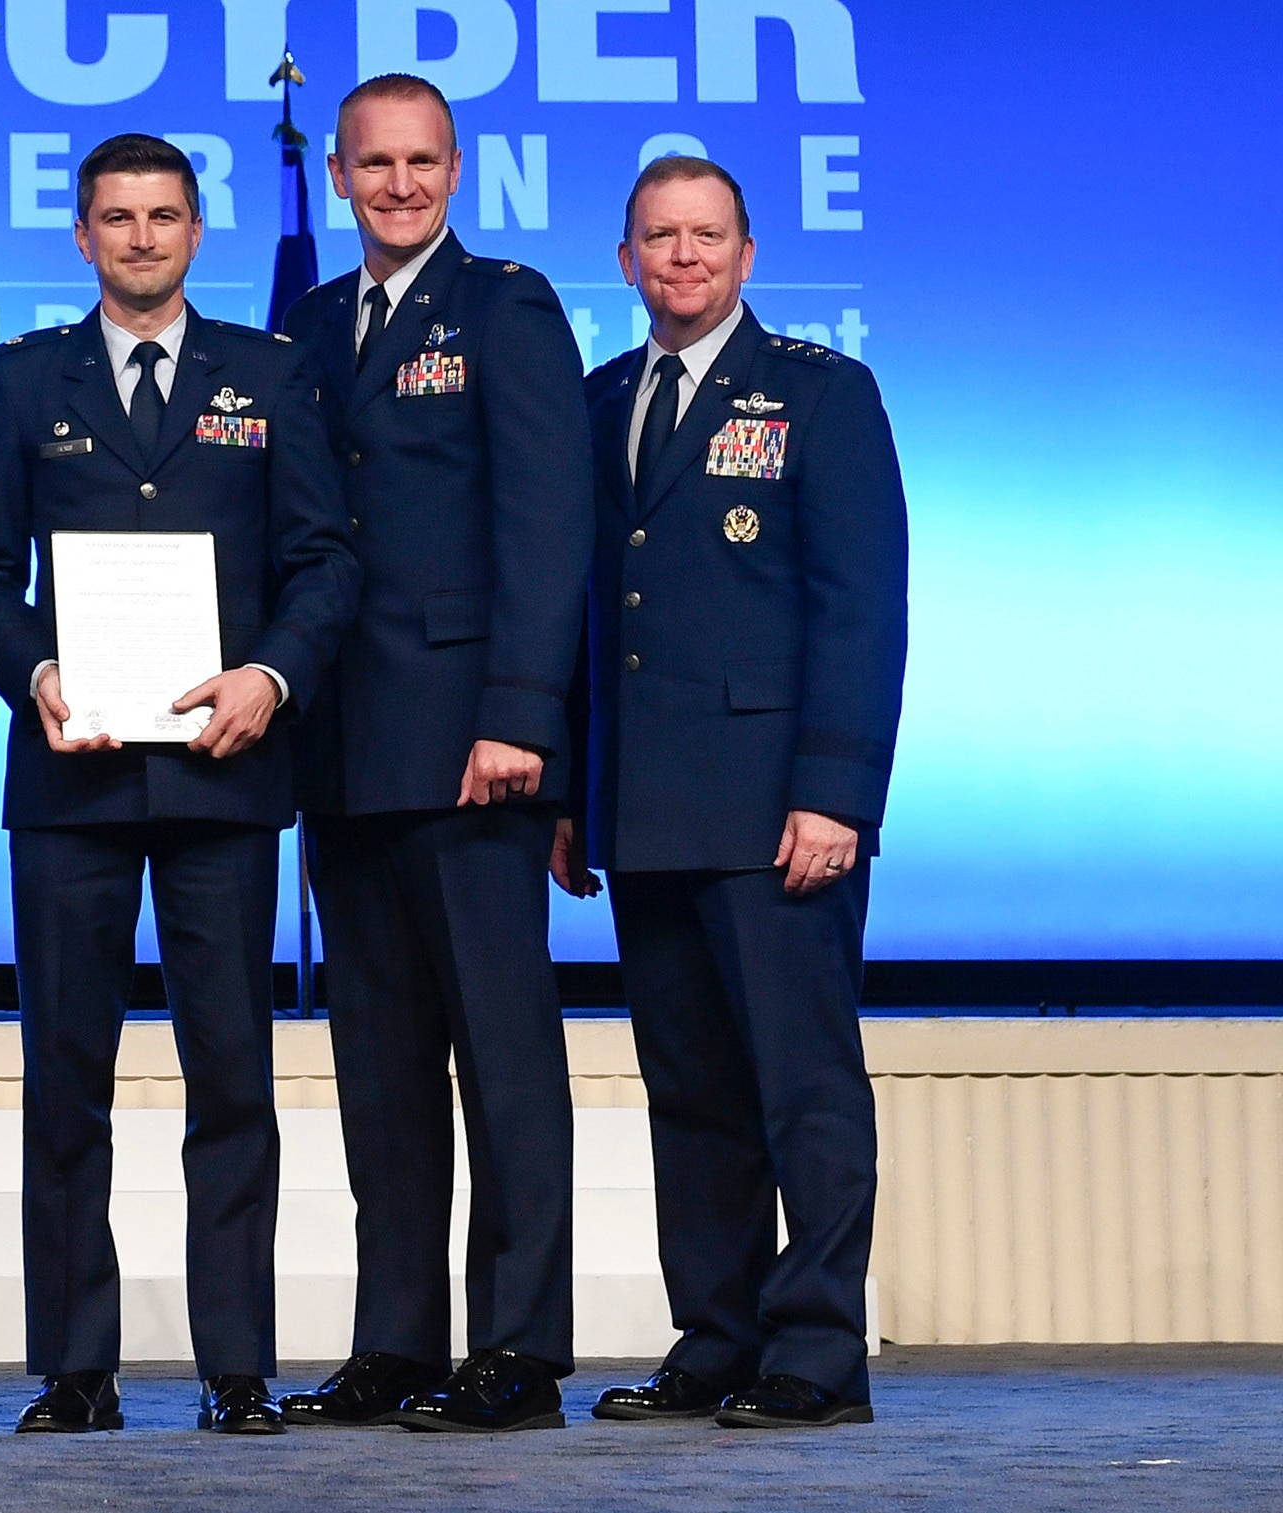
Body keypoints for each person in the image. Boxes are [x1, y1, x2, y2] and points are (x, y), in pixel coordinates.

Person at [0, 134, 360, 1437]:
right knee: (65, 1080)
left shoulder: (273, 374)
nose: (140, 237)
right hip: (71, 783)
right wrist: (36, 675)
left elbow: (324, 563)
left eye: (164, 215)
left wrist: (272, 679)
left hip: (225, 783)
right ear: (83, 237)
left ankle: (238, 1369)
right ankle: (78, 1368)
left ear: (200, 230)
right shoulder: (24, 383)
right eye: (116, 219)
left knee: (232, 1081)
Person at [557, 156, 908, 1429]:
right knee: (691, 1094)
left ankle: (814, 1351)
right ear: (625, 259)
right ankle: (714, 1335)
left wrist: (834, 795)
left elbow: (860, 612)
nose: (683, 257)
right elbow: (588, 617)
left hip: (778, 816)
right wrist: (571, 792)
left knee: (800, 1090)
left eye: (706, 237)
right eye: (658, 237)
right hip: (645, 810)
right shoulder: (596, 404)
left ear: (747, 254)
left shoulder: (820, 395)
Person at [276, 75, 593, 1433]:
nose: (399, 185)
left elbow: (546, 523)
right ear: (340, 174)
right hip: (342, 747)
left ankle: (517, 1347)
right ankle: (398, 1342)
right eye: (374, 164)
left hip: (474, 747)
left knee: (504, 1059)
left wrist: (523, 714)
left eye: (423, 162)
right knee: (381, 1070)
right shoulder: (305, 324)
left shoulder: (506, 307)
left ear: (457, 169)